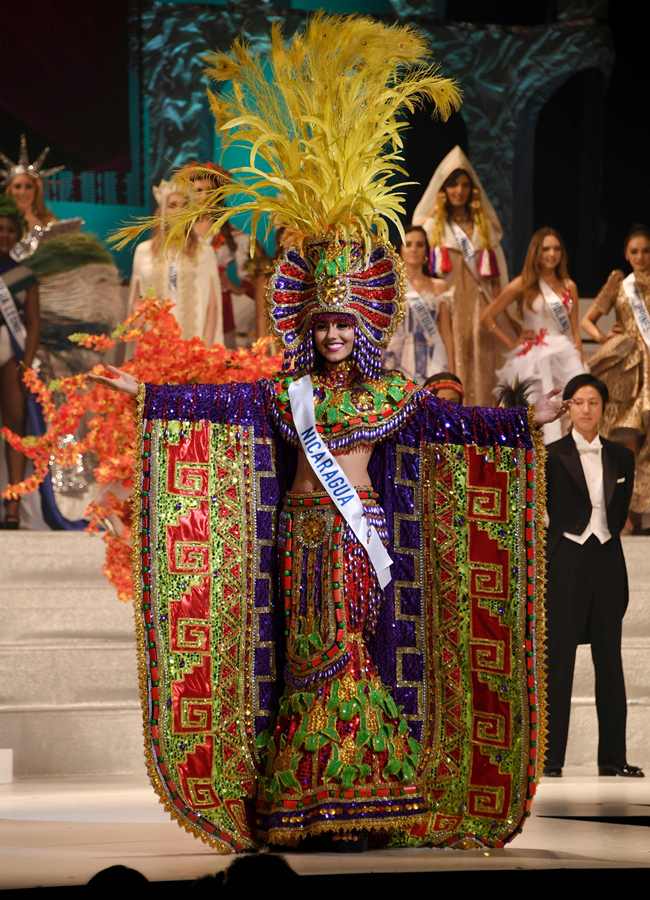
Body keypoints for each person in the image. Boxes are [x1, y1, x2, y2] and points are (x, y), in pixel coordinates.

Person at [94, 14, 562, 852]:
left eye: (347, 323)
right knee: (308, 650)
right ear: (309, 326)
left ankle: (371, 784)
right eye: (325, 324)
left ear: (364, 324)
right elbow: (218, 412)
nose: (337, 334)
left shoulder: (388, 392)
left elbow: (451, 425)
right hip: (304, 529)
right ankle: (302, 791)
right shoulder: (287, 390)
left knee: (356, 647)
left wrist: (523, 425)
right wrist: (150, 398)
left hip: (363, 531)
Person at [544, 373, 644, 779]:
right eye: (579, 403)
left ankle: (613, 758)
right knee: (560, 662)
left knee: (610, 661)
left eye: (594, 403)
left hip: (606, 560)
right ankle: (551, 759)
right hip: (566, 559)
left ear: (605, 409)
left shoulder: (621, 457)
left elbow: (618, 514)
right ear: (568, 408)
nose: (587, 410)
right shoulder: (550, 454)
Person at [412, 145, 511, 406]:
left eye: (465, 185)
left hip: (480, 307)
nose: (459, 191)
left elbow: (497, 273)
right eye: (453, 185)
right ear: (443, 189)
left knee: (482, 363)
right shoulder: (432, 228)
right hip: (448, 308)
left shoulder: (485, 228)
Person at [481, 228, 586, 444]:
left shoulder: (569, 286)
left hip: (565, 356)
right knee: (534, 410)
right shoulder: (523, 283)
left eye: (556, 249)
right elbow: (487, 316)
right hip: (535, 358)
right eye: (546, 248)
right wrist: (512, 341)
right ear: (536, 252)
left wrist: (580, 360)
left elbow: (575, 331)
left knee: (571, 410)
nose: (552, 254)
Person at [581, 226, 650, 530]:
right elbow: (588, 319)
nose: (640, 257)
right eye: (634, 251)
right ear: (626, 254)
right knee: (628, 438)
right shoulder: (622, 285)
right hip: (628, 367)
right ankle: (627, 513)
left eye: (646, 251)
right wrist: (602, 337)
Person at [126, 179, 222, 344]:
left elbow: (212, 307)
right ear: (162, 210)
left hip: (194, 342)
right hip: (154, 343)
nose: (179, 211)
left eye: (184, 205)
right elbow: (136, 302)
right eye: (172, 205)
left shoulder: (204, 251)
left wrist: (205, 351)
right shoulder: (144, 251)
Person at [187, 162, 258, 347]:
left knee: (216, 354)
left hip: (217, 301)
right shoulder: (181, 233)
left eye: (210, 191)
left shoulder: (233, 235)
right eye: (198, 190)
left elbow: (251, 277)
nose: (203, 196)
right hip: (187, 297)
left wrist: (234, 287)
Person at [0, 197, 40, 528]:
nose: (4, 234)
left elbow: (34, 323)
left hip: (10, 355)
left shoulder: (24, 275)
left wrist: (26, 363)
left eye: (10, 230)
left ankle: (12, 507)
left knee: (15, 430)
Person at [384, 225, 454, 382]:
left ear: (426, 251)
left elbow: (446, 331)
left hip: (432, 356)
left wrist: (452, 369)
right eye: (408, 244)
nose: (414, 249)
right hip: (398, 355)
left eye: (420, 245)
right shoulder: (390, 285)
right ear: (400, 250)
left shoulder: (439, 286)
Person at [1, 134, 61, 233]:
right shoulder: (1, 220)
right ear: (10, 190)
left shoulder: (50, 222)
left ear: (36, 190)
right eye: (17, 186)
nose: (22, 192)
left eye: (28, 187)